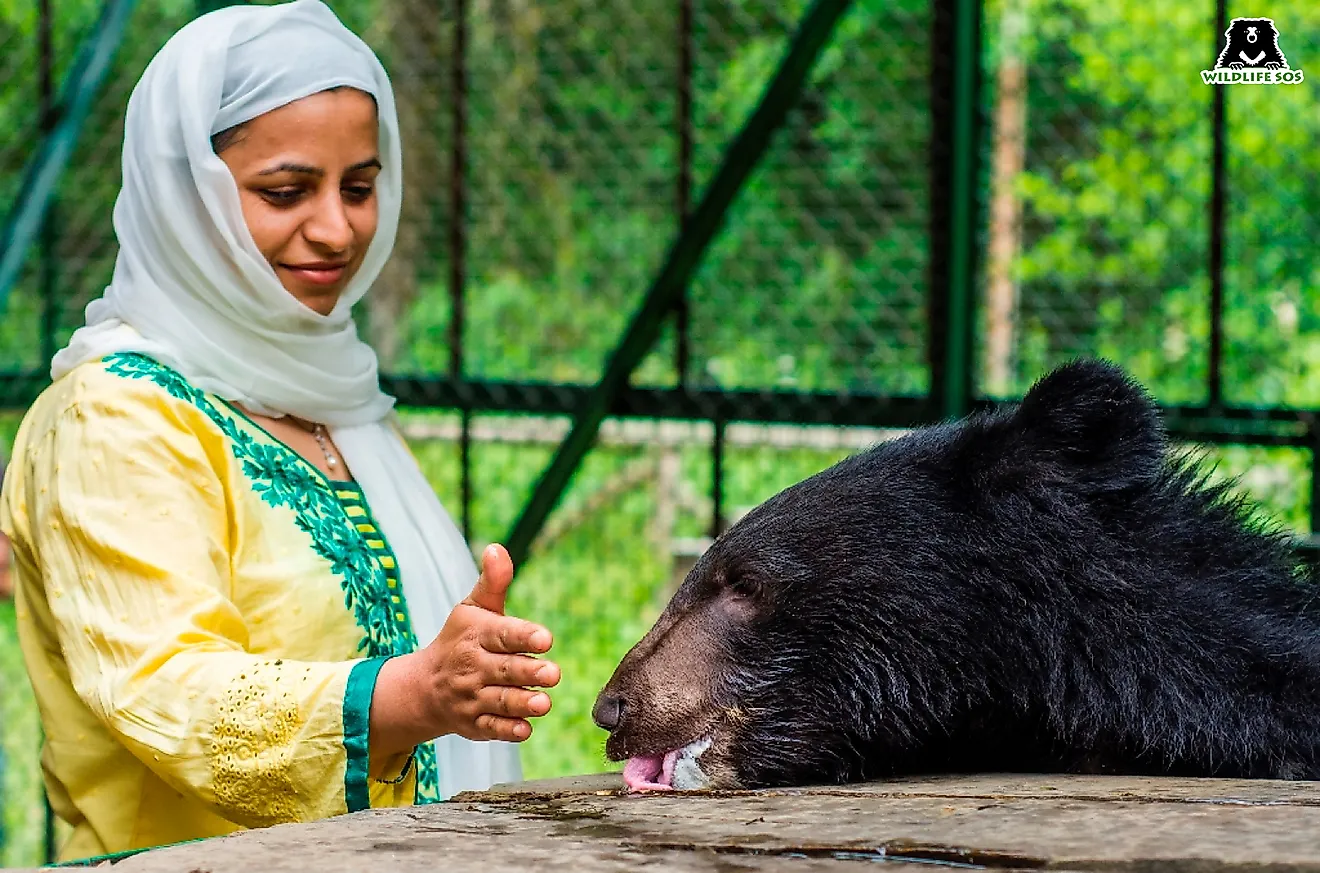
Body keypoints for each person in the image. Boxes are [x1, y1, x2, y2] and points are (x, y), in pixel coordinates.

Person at [0, 0, 560, 863]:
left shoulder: (332, 397)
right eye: (286, 191)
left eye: (361, 188)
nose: (338, 228)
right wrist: (410, 693)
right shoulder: (113, 415)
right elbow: (163, 689)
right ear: (190, 196)